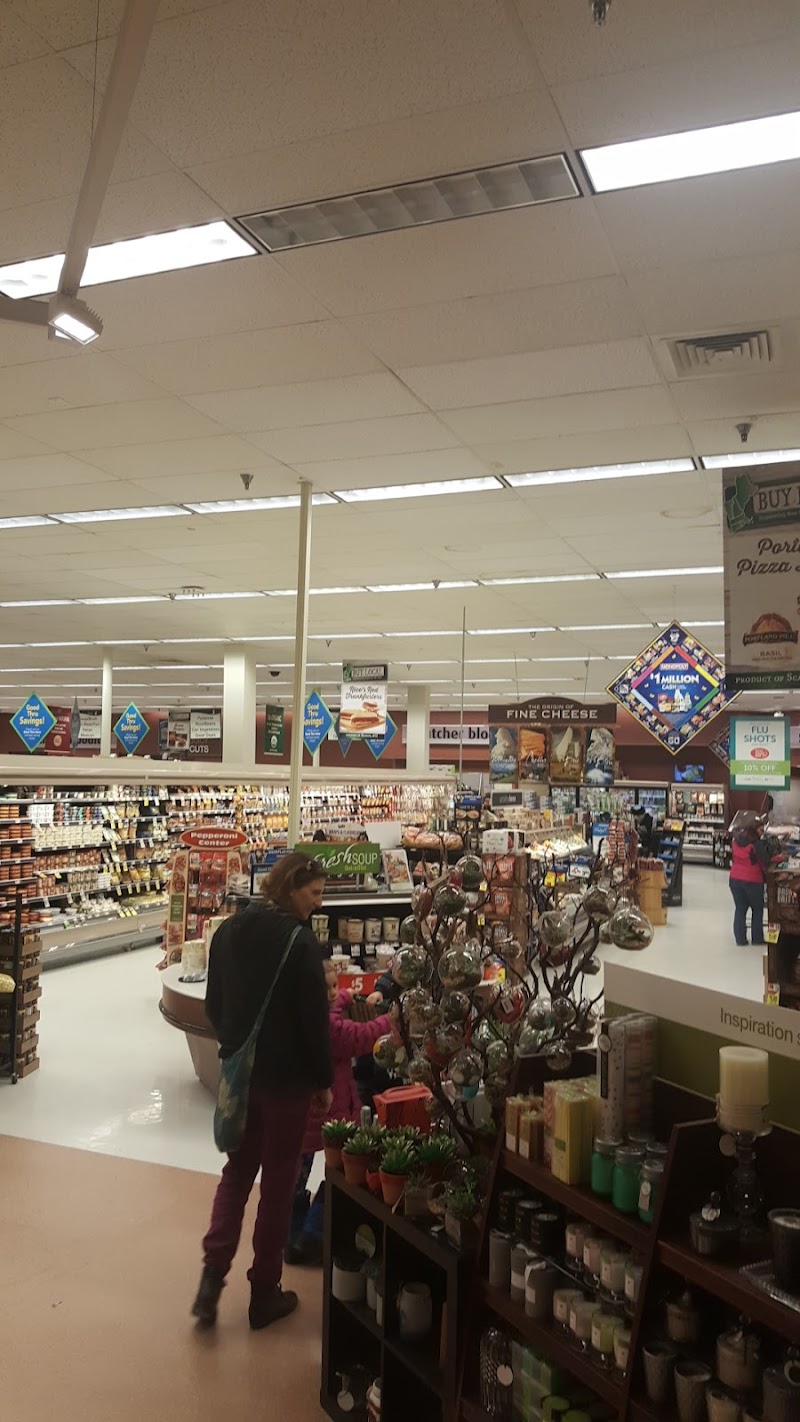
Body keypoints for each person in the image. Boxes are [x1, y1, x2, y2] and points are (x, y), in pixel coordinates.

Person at [192, 853, 333, 1331]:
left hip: (241, 1076)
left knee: (236, 1174)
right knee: (277, 1183)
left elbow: (214, 1005)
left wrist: (235, 1048)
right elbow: (315, 1025)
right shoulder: (300, 942)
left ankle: (211, 1280)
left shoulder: (229, 930)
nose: (317, 904)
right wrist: (323, 1080)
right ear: (292, 886)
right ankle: (263, 1294)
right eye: (313, 894)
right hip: (288, 1083)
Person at [286, 962, 393, 1265]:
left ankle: (290, 1239)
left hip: (302, 1114)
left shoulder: (300, 1015)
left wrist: (347, 995)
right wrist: (390, 1020)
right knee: (343, 1171)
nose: (333, 993)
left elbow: (338, 1000)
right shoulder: (328, 1027)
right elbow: (361, 1037)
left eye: (334, 985)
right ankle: (313, 1233)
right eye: (327, 988)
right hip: (330, 1111)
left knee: (297, 1177)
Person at [729, 814, 770, 947]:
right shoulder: (756, 844)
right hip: (752, 880)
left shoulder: (735, 841)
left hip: (735, 879)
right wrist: (778, 858)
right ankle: (757, 938)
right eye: (760, 830)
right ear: (754, 830)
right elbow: (765, 862)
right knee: (757, 909)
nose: (762, 833)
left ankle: (740, 939)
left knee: (740, 909)